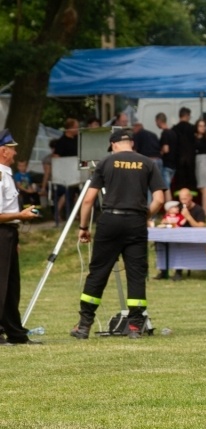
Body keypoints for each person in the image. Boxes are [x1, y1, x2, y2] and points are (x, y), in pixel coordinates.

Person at [70, 128, 167, 340]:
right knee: (136, 273)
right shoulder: (148, 163)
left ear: (114, 144)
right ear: (131, 143)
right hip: (135, 222)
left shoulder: (105, 162)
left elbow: (88, 200)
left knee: (98, 273)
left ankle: (84, 325)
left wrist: (84, 227)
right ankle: (134, 326)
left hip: (110, 221)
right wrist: (144, 216)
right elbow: (159, 199)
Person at [0, 130, 41, 346]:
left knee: (11, 286)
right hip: (2, 232)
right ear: (2, 151)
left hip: (9, 234)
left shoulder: (6, 173)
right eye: (12, 148)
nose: (15, 153)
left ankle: (16, 333)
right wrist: (21, 215)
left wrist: (15, 236)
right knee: (1, 284)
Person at [172, 107, 196, 192]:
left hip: (178, 159)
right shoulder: (192, 128)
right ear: (187, 116)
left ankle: (181, 202)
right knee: (190, 184)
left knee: (180, 183)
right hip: (190, 159)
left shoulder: (174, 129)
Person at [156, 113, 177, 192]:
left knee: (166, 188)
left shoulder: (164, 133)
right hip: (173, 165)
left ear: (159, 121)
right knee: (169, 187)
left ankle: (168, 204)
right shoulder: (173, 133)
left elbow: (166, 149)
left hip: (166, 164)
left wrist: (159, 153)